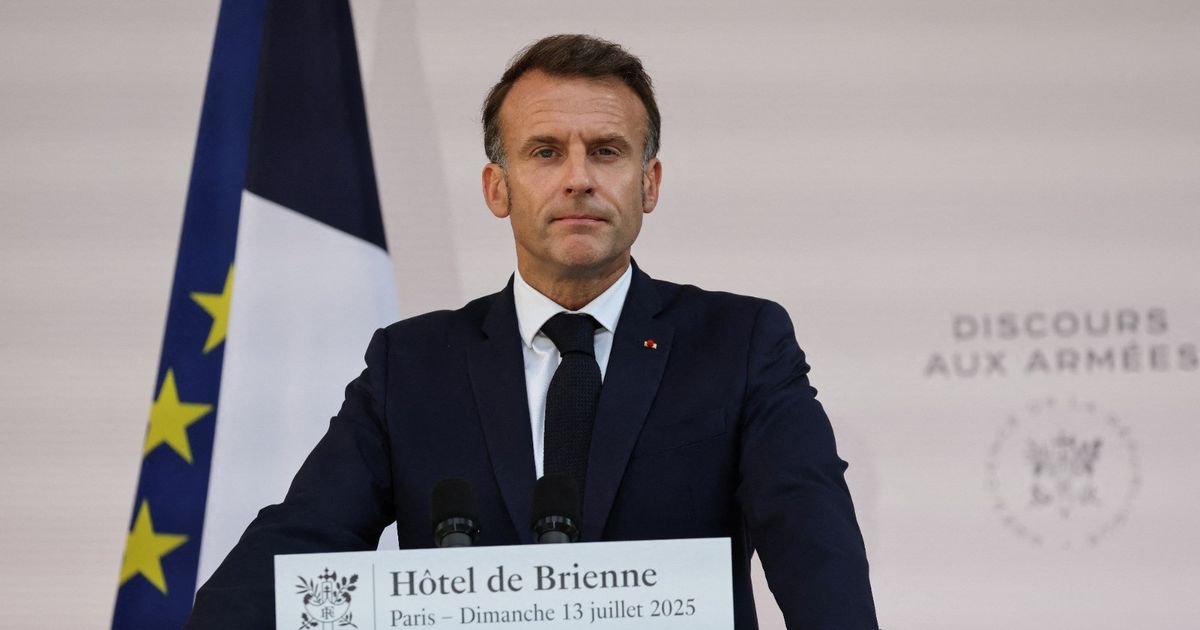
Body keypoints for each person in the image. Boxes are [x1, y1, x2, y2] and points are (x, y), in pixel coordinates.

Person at [187, 34, 877, 629]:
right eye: (545, 152)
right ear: (498, 187)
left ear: (649, 183)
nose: (578, 179)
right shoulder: (413, 366)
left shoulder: (740, 344)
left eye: (606, 151)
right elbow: (299, 544)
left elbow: (814, 546)